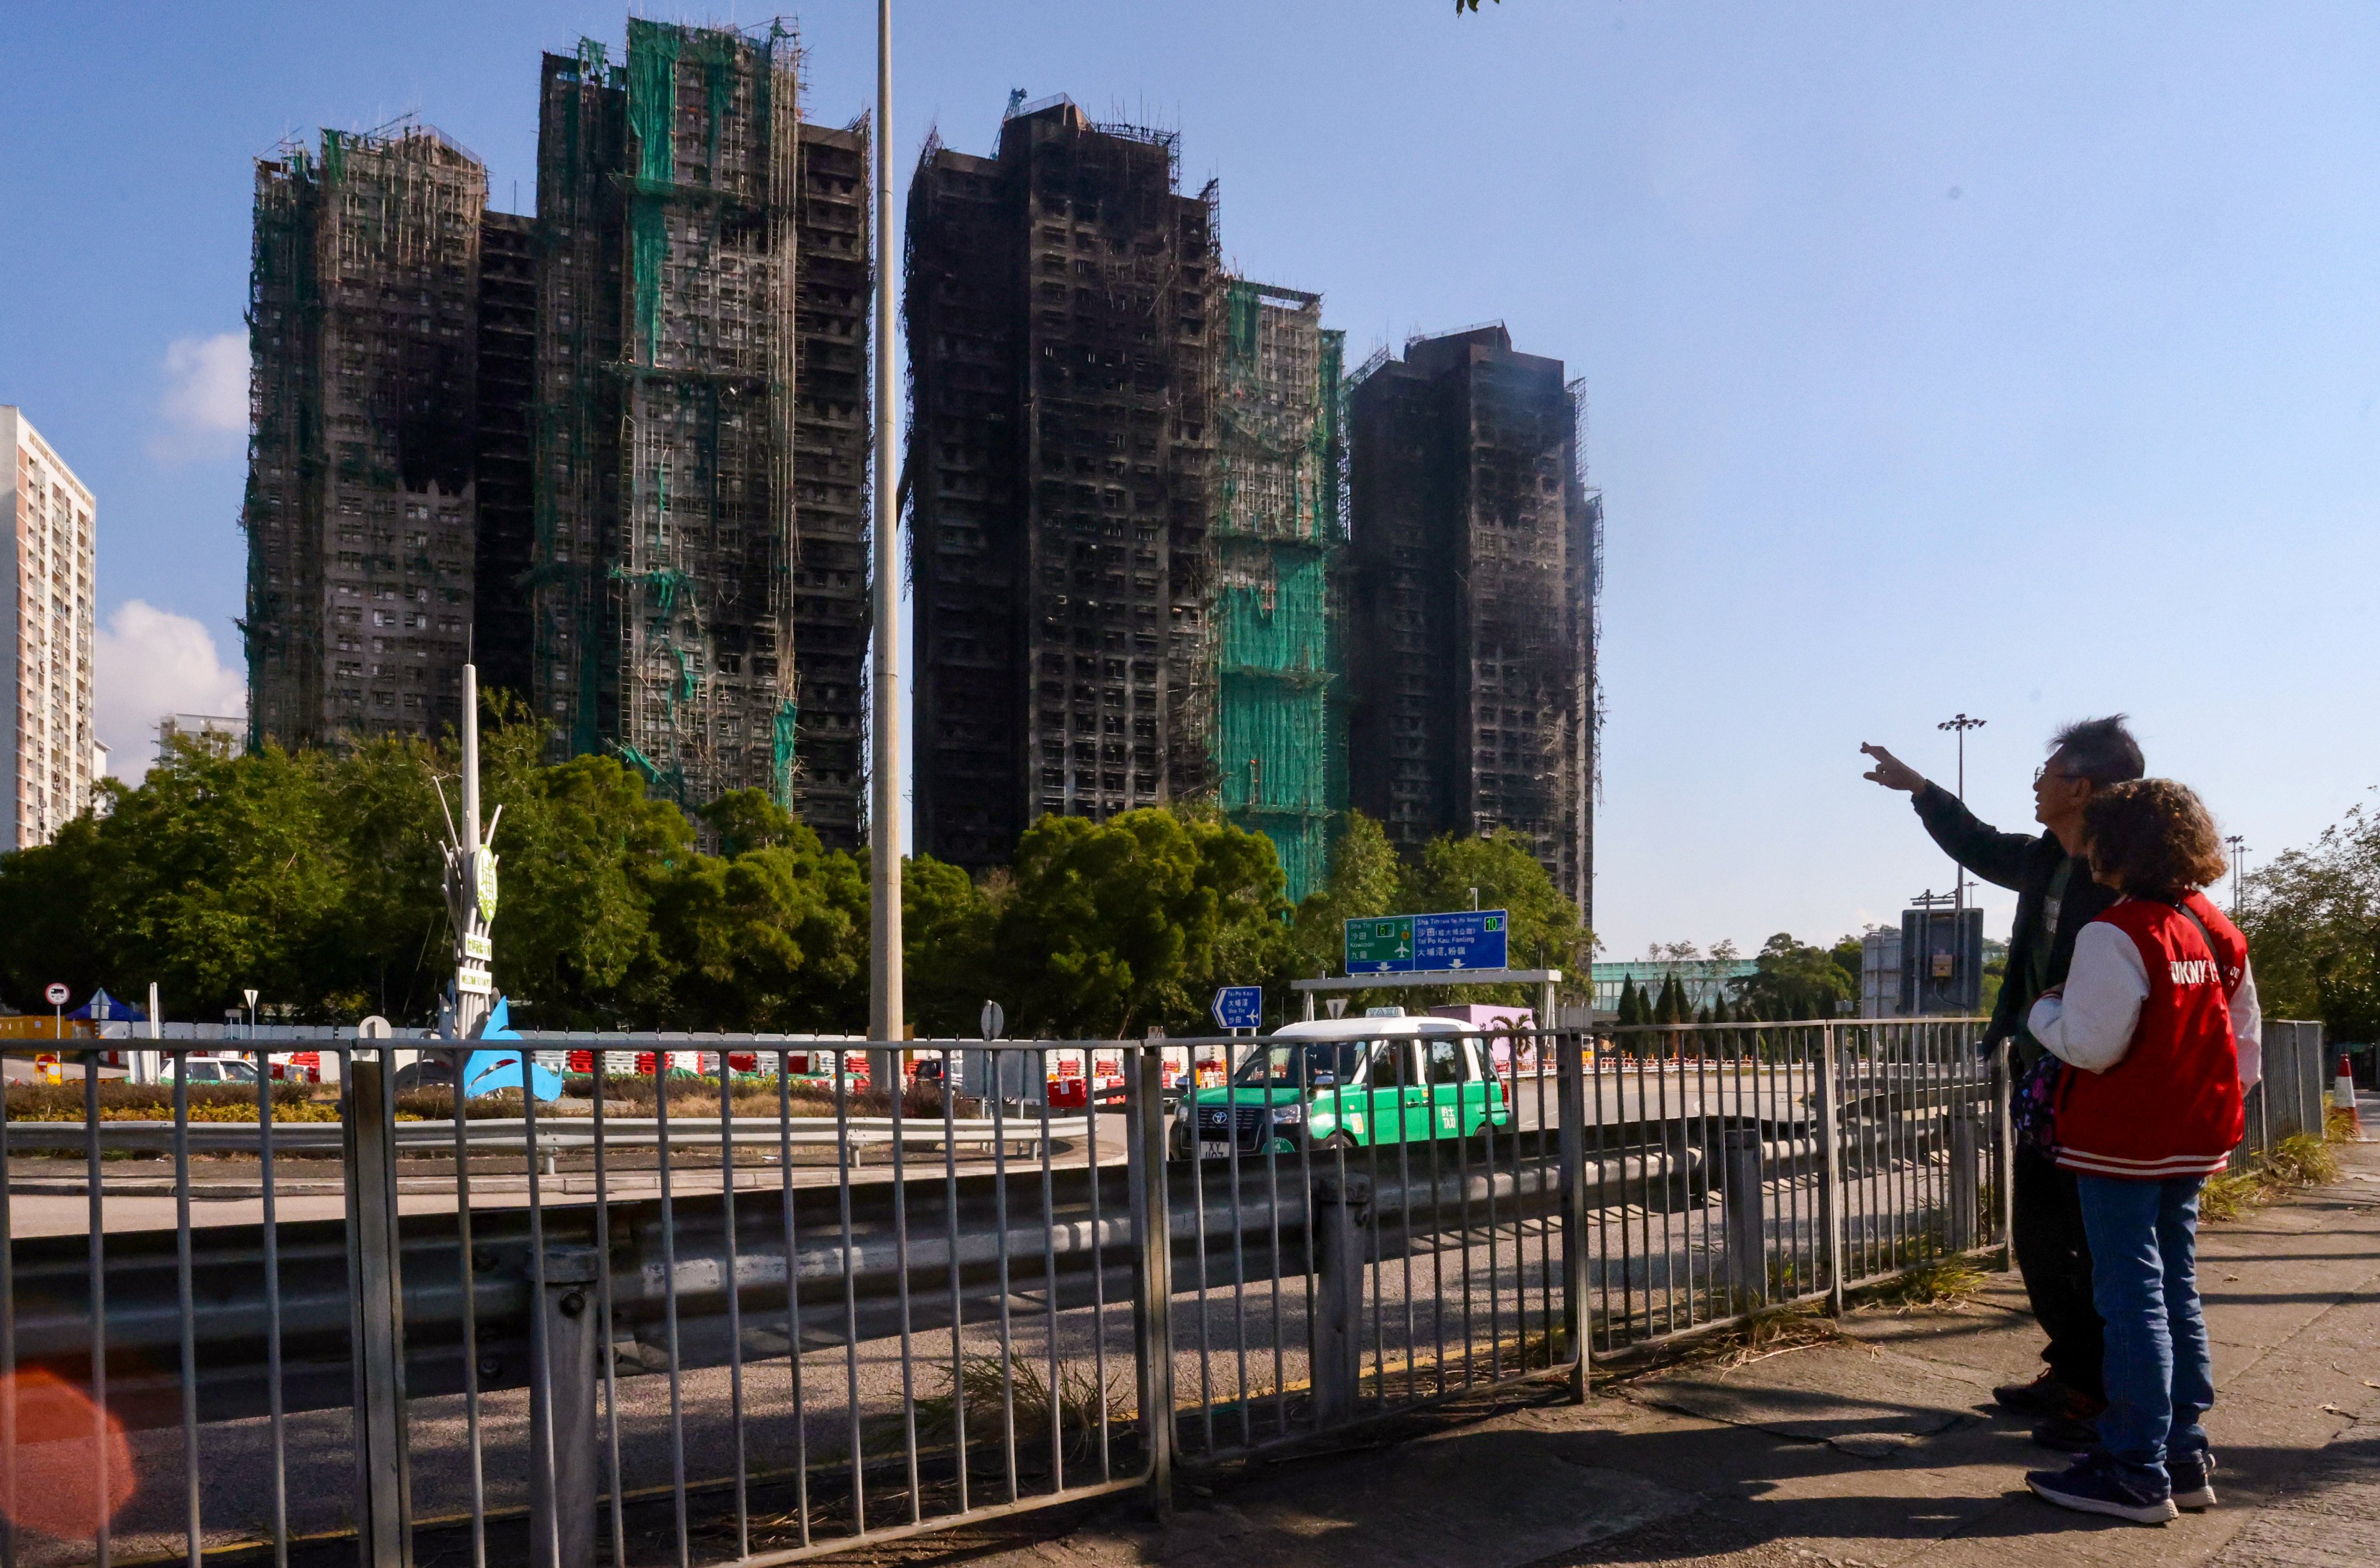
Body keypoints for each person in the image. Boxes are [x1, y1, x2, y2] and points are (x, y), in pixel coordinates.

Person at [1860, 716, 2143, 1449]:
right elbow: (1979, 843)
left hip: (2096, 1076)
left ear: (2078, 787)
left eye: (2047, 775)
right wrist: (1919, 788)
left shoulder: (2125, 877)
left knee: (2088, 1243)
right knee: (2041, 1237)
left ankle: (2103, 1392)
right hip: (2040, 1069)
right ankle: (2076, 1368)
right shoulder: (2048, 858)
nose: (2034, 785)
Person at [2021, 778, 2260, 1524]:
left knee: (2129, 1298)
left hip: (2122, 1141)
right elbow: (2244, 1043)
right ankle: (2183, 1454)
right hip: (2194, 1136)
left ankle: (2133, 1467)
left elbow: (2092, 1044)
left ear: (2113, 844)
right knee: (2174, 1289)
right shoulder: (2214, 926)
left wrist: (2043, 1011)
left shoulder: (2116, 930)